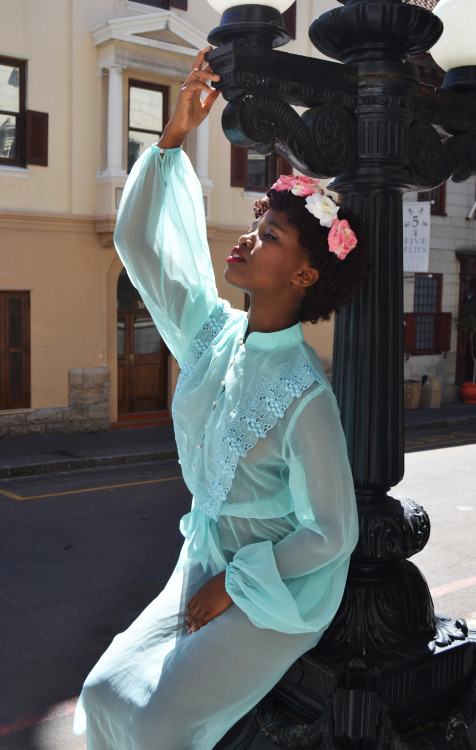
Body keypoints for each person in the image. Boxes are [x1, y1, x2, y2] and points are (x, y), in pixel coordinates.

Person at [74, 48, 368, 750]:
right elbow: (140, 246)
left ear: (302, 270)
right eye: (255, 221)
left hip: (275, 595)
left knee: (155, 724)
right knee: (98, 694)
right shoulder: (210, 334)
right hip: (200, 563)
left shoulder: (306, 394)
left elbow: (333, 531)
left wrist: (235, 586)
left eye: (269, 234)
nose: (248, 236)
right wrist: (175, 134)